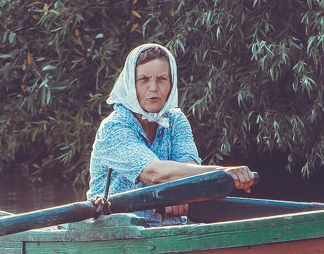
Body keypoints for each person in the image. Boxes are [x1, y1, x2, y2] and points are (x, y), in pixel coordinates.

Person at [88, 43, 256, 225]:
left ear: (171, 83)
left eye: (161, 79)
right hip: (116, 232)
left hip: (169, 231)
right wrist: (224, 172)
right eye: (144, 79)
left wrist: (182, 189)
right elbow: (154, 172)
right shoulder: (114, 127)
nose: (153, 88)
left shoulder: (175, 120)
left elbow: (189, 168)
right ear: (131, 85)